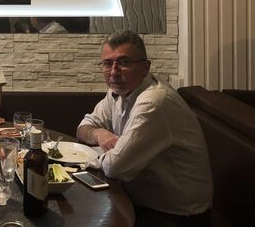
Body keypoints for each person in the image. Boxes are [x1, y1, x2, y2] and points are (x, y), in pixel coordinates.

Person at [76, 30, 212, 227]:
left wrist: (101, 154)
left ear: (145, 67)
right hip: (141, 201)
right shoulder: (117, 91)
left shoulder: (153, 102)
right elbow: (83, 128)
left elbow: (115, 167)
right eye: (107, 63)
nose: (114, 71)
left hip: (177, 215)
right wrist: (99, 133)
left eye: (124, 62)